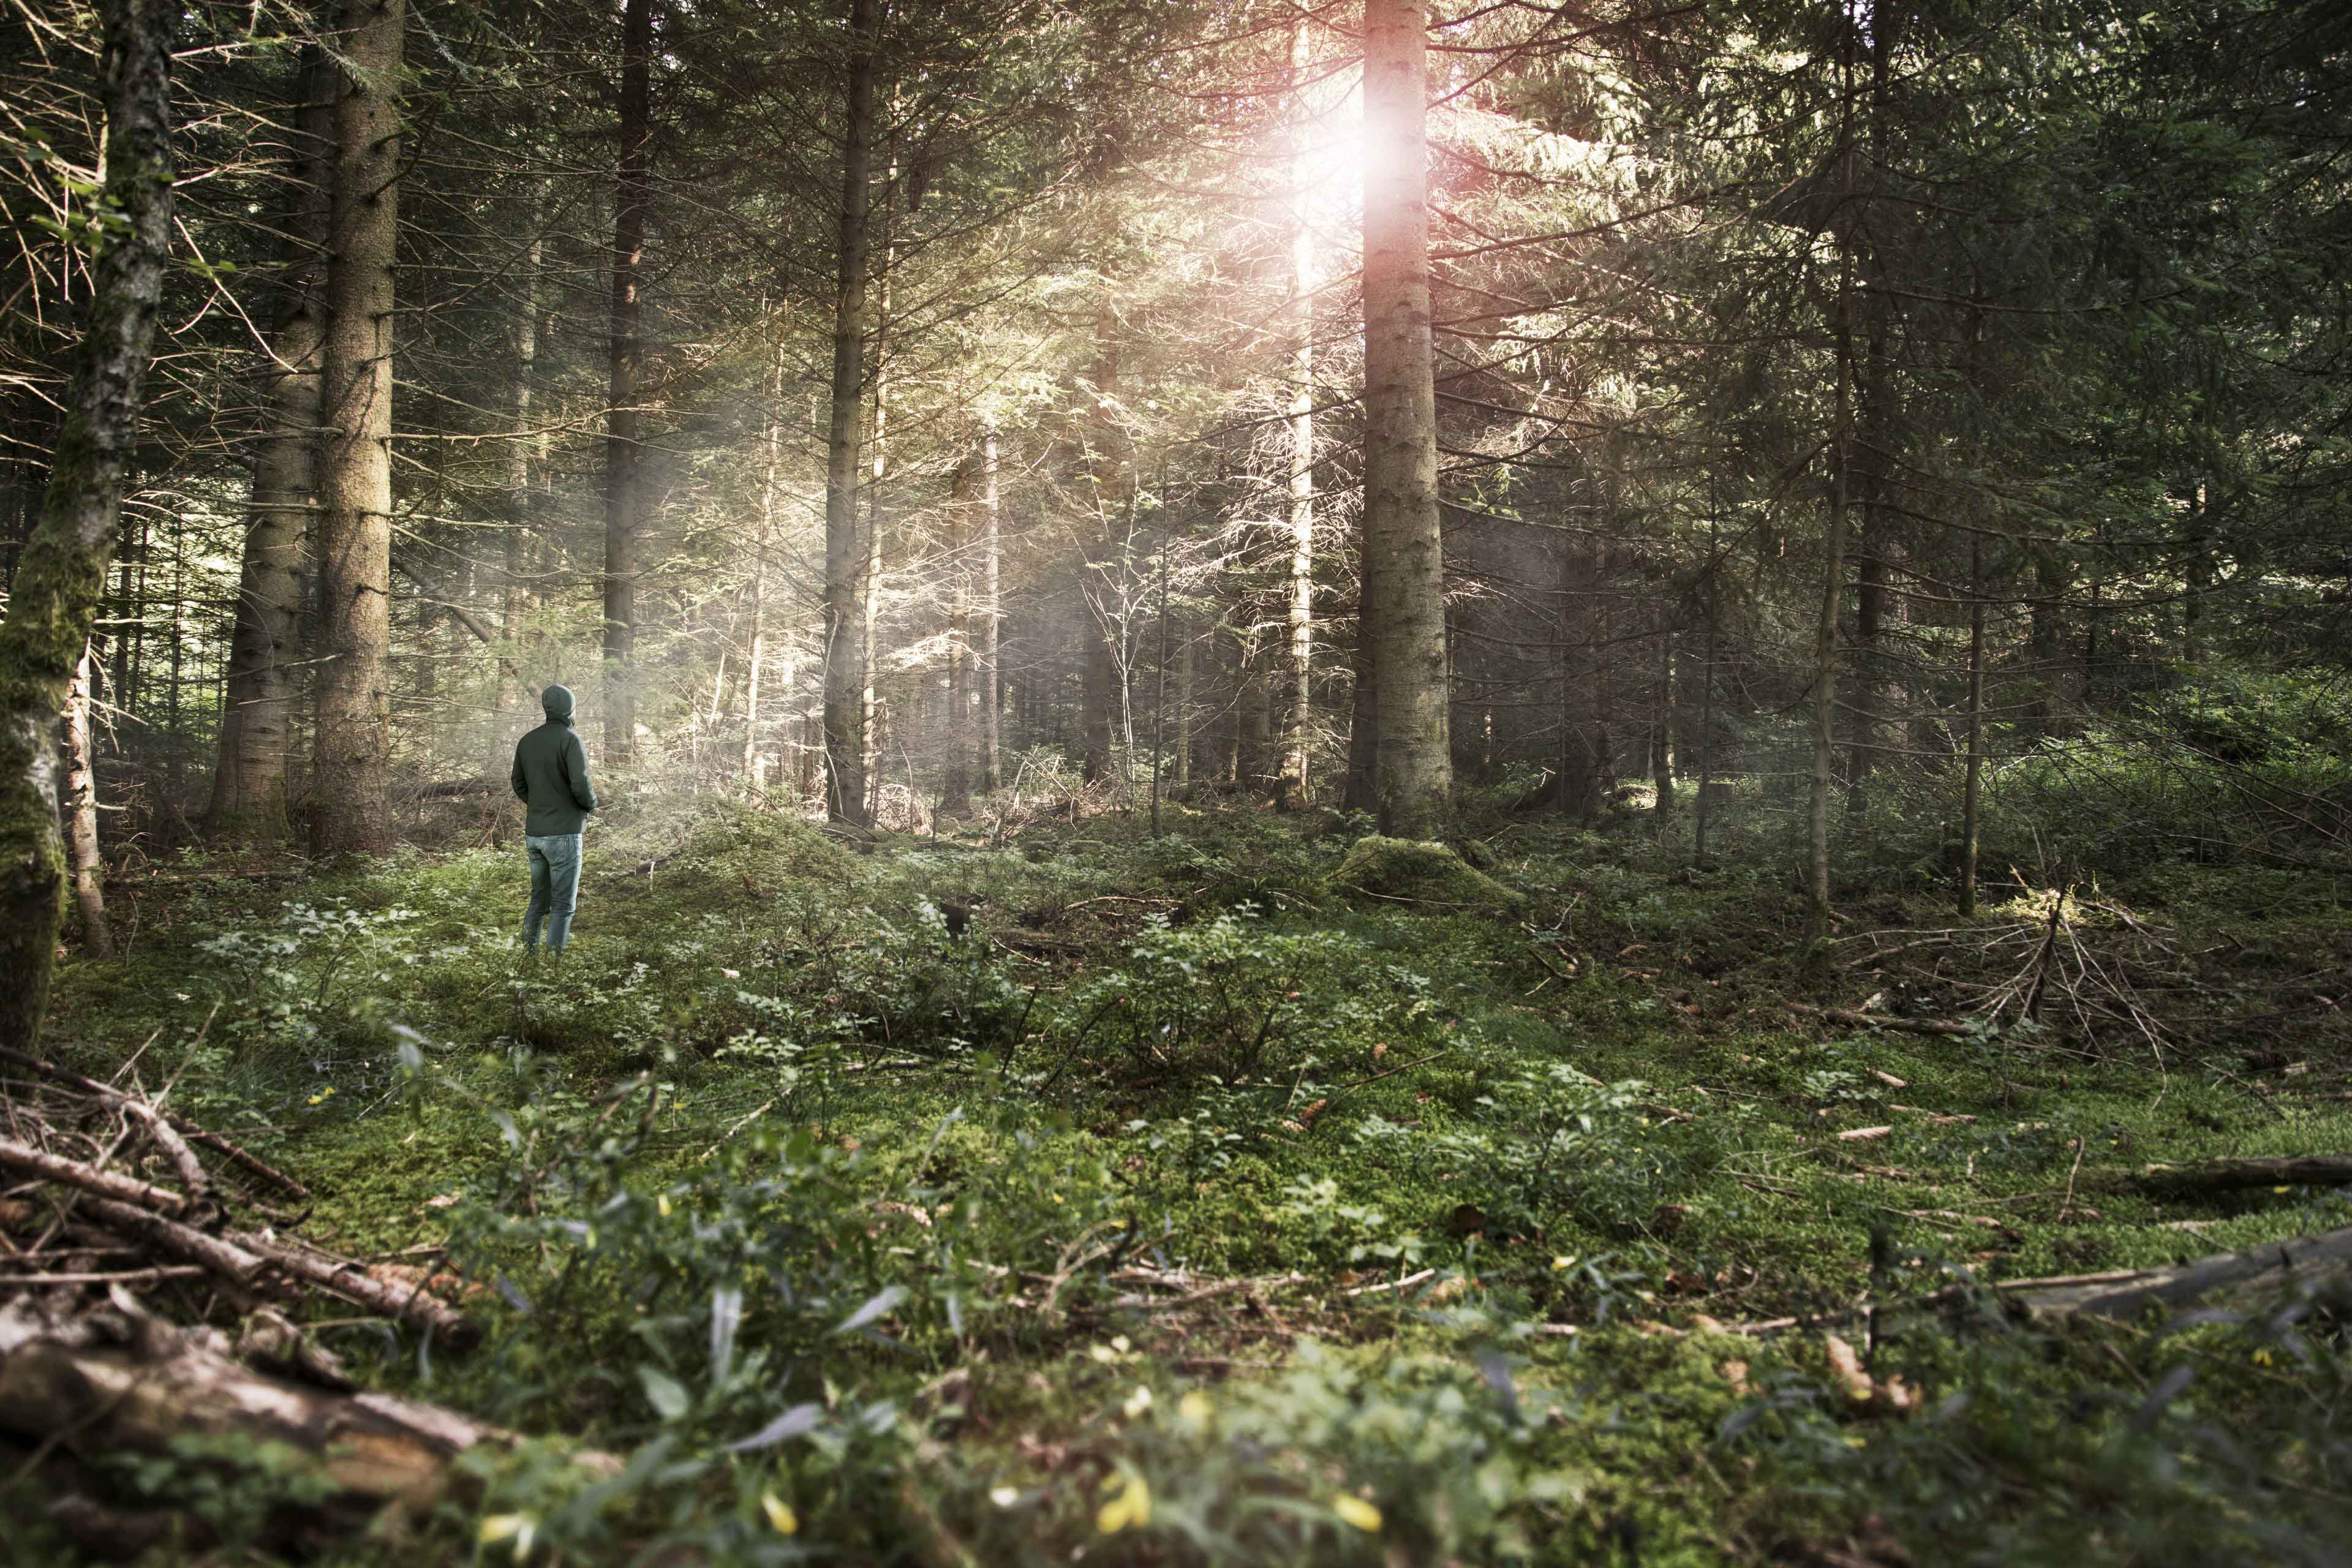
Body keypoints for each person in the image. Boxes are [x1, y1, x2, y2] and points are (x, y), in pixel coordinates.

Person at [510, 683, 599, 956]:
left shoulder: (527, 740)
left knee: (538, 901)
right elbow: (581, 785)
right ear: (570, 708)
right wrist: (591, 804)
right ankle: (554, 970)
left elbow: (518, 783)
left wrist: (539, 806)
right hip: (564, 835)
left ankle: (527, 960)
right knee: (563, 906)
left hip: (535, 834)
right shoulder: (571, 740)